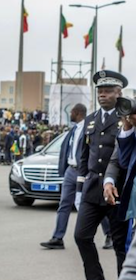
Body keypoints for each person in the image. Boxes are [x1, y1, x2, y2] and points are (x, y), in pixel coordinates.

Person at [73, 70, 130, 280]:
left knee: (120, 246)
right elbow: (84, 157)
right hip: (92, 190)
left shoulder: (127, 118)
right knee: (81, 236)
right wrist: (79, 189)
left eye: (108, 90)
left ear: (119, 93)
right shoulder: (91, 120)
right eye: (100, 90)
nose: (102, 94)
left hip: (118, 192)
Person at [40, 103, 87, 249]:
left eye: (71, 112)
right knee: (64, 204)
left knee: (90, 205)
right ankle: (57, 238)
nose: (70, 114)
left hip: (83, 172)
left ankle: (109, 234)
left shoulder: (89, 129)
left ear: (78, 112)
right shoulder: (73, 130)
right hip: (70, 171)